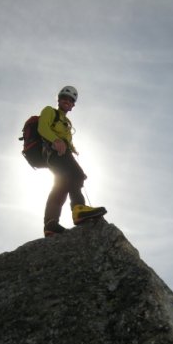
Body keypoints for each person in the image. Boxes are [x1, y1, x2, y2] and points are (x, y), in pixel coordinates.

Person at [37, 86, 106, 237]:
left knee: (61, 186)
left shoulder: (66, 122)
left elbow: (66, 140)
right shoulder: (50, 111)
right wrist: (55, 140)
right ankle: (79, 209)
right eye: (64, 98)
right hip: (55, 151)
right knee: (77, 175)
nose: (67, 101)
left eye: (71, 100)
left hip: (61, 152)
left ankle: (50, 224)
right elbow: (42, 127)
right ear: (59, 99)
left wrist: (73, 149)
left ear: (73, 105)